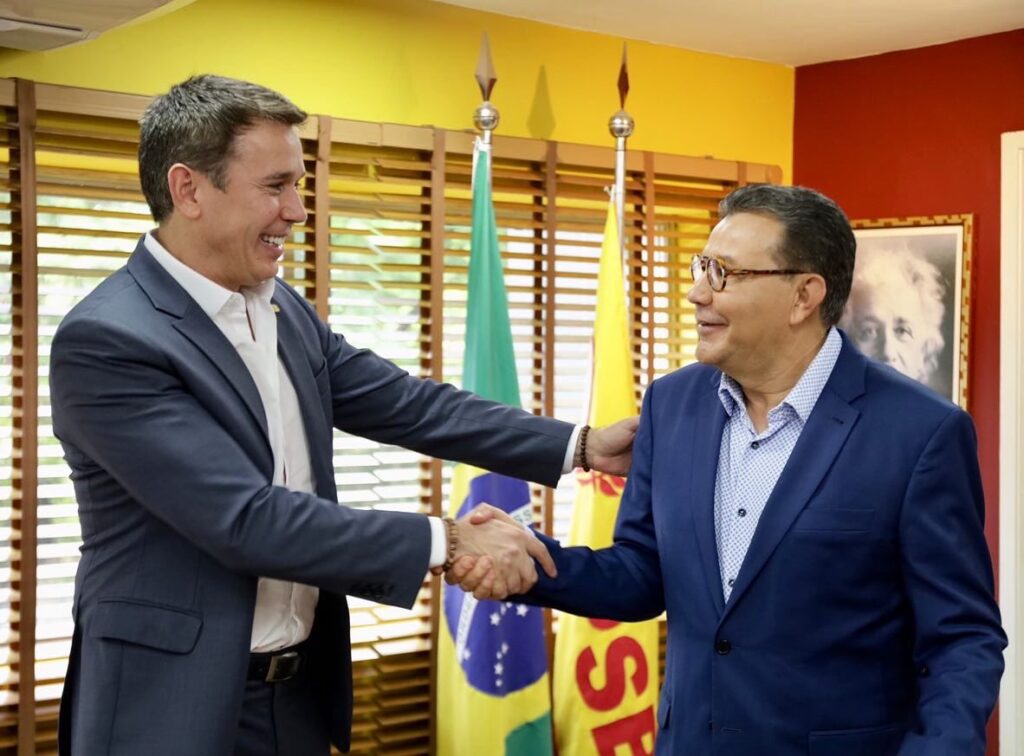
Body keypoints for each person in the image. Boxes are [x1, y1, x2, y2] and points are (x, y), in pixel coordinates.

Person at [49, 74, 636, 756]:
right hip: (170, 710)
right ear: (189, 190)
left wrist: (583, 446)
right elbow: (244, 519)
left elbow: (402, 402)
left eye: (298, 183)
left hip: (295, 698)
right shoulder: (111, 340)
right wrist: (449, 541)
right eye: (275, 186)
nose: (298, 210)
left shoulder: (279, 307)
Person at [451, 184, 1006, 755]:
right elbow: (644, 572)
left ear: (804, 296)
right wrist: (534, 563)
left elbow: (963, 640)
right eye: (700, 267)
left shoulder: (919, 432)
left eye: (723, 274)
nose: (695, 293)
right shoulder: (672, 403)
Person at [840, 246, 949, 395]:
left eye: (902, 330)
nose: (887, 351)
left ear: (924, 350)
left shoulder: (947, 418)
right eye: (868, 331)